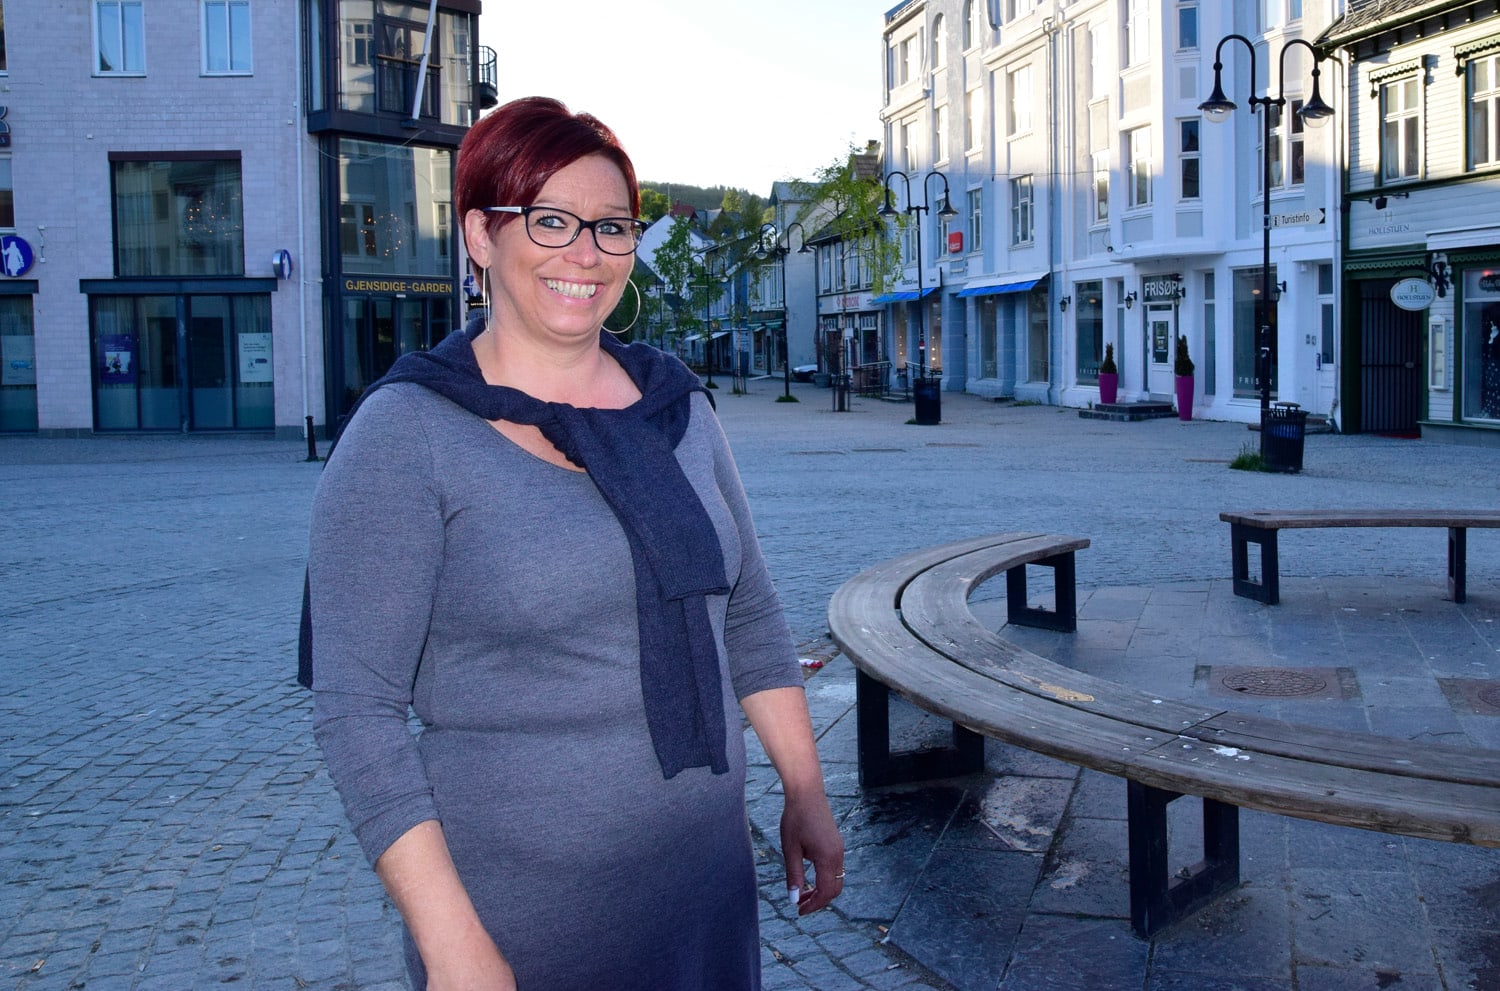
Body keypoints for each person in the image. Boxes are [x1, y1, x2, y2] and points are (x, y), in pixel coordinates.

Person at [305, 96, 844, 991]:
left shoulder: (676, 407)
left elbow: (748, 613)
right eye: (549, 220)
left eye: (611, 226)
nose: (585, 253)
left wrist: (806, 790)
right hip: (523, 916)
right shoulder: (408, 433)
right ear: (481, 235)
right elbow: (356, 711)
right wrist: (453, 945)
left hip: (705, 885)